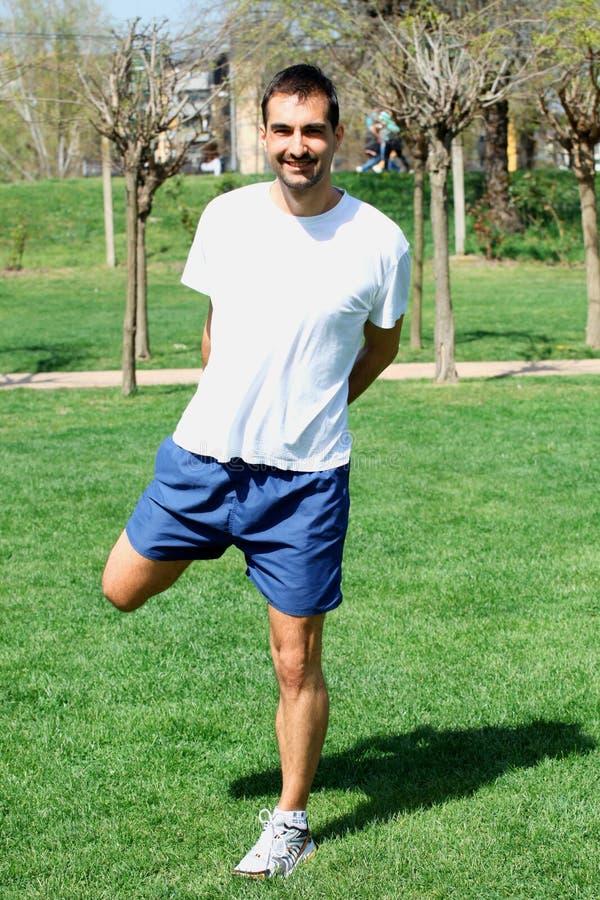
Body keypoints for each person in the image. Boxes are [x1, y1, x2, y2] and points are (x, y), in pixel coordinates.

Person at [102, 64, 410, 879]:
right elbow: (216, 327)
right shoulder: (226, 216)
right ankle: (218, 542)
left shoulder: (380, 241)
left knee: (296, 660)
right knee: (120, 588)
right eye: (282, 130)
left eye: (313, 131)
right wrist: (230, 406)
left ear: (337, 135)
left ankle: (291, 821)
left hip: (304, 484)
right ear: (263, 134)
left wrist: (320, 405)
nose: (297, 146)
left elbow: (383, 345)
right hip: (203, 460)